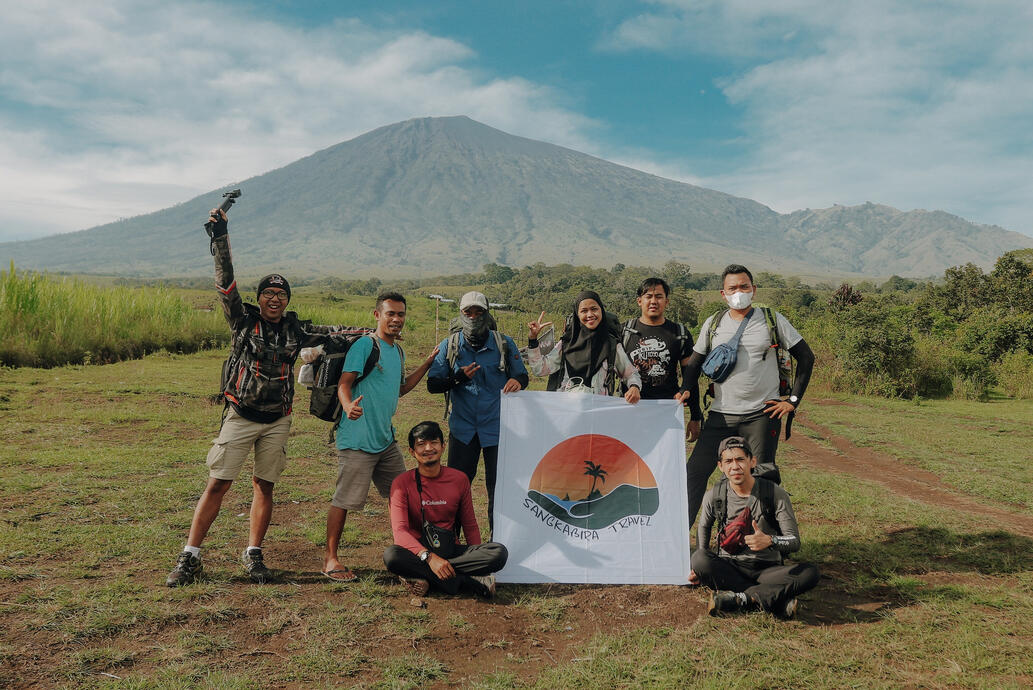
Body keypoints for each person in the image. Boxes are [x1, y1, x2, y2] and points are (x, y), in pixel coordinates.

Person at [166, 208, 351, 587]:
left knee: (264, 485)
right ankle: (190, 557)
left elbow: (338, 332)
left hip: (278, 419)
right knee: (218, 482)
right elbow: (226, 283)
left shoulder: (296, 331)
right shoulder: (242, 320)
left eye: (281, 294)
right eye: (268, 292)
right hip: (240, 414)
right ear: (259, 297)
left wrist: (379, 329)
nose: (274, 298)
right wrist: (220, 236)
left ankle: (254, 555)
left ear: (287, 300)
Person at [683, 264, 815, 527]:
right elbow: (694, 363)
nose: (739, 292)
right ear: (723, 293)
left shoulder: (772, 320)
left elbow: (806, 357)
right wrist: (685, 389)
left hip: (761, 415)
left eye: (744, 287)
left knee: (762, 476)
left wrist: (792, 401)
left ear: (754, 290)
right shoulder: (714, 323)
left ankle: (764, 543)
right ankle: (675, 544)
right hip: (721, 414)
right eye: (733, 288)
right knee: (695, 472)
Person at [322, 291, 438, 582]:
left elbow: (400, 388)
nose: (396, 319)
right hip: (357, 440)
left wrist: (426, 364)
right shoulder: (365, 345)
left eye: (401, 314)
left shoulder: (397, 351)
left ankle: (412, 554)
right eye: (391, 314)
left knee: (404, 496)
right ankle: (331, 559)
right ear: (377, 315)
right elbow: (344, 383)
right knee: (344, 499)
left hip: (385, 441)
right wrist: (348, 406)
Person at [427, 291, 528, 534]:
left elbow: (522, 375)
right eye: (468, 312)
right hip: (463, 430)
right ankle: (452, 542)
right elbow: (433, 385)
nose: (473, 317)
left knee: (499, 490)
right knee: (456, 490)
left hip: (498, 428)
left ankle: (498, 543)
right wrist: (457, 378)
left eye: (478, 312)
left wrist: (518, 382)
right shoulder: (449, 345)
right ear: (461, 315)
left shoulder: (503, 343)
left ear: (487, 313)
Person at [689, 436, 819, 619]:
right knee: (699, 559)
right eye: (728, 461)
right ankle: (775, 600)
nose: (735, 466)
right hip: (730, 566)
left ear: (752, 462)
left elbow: (794, 541)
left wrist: (770, 540)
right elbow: (704, 527)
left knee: (810, 573)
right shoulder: (715, 495)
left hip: (767, 570)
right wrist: (698, 570)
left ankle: (741, 599)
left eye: (740, 459)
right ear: (721, 466)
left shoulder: (775, 494)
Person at [384, 421, 508, 598]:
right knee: (392, 556)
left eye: (434, 442)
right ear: (412, 451)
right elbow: (400, 532)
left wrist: (477, 561)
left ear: (443, 446)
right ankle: (462, 581)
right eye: (421, 444)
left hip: (449, 547)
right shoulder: (401, 483)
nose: (428, 448)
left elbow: (470, 524)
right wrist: (429, 558)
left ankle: (431, 576)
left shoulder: (459, 479)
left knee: (498, 553)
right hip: (418, 551)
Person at [525, 290, 642, 403]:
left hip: (597, 411)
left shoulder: (611, 344)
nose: (590, 314)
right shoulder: (566, 343)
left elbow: (630, 374)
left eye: (594, 309)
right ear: (577, 314)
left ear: (601, 310)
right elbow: (539, 369)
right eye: (584, 311)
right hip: (567, 410)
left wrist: (634, 387)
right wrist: (533, 339)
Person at [622, 277, 703, 437]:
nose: (653, 301)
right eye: (648, 296)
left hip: (668, 410)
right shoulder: (625, 332)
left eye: (659, 296)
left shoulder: (679, 333)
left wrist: (695, 416)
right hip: (631, 409)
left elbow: (690, 375)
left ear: (667, 301)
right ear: (639, 301)